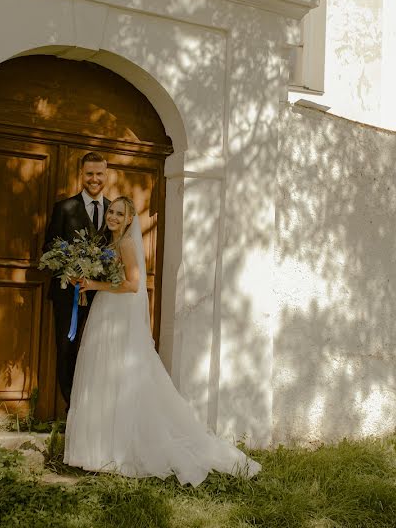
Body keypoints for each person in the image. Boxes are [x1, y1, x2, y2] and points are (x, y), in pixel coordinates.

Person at [64, 196, 261, 485]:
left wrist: (95, 284)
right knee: (102, 374)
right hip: (105, 310)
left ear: (130, 219)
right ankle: (96, 450)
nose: (114, 217)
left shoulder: (127, 244)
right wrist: (84, 280)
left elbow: (133, 285)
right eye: (112, 212)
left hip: (117, 313)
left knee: (120, 375)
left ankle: (118, 450)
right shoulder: (108, 244)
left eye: (120, 214)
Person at [43, 151, 111, 411]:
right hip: (68, 295)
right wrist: (68, 271)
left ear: (106, 175)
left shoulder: (114, 210)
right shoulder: (65, 208)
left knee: (97, 351)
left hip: (102, 296)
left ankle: (96, 409)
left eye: (99, 174)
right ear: (81, 175)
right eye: (89, 174)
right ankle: (73, 409)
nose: (94, 179)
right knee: (67, 348)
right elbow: (48, 246)